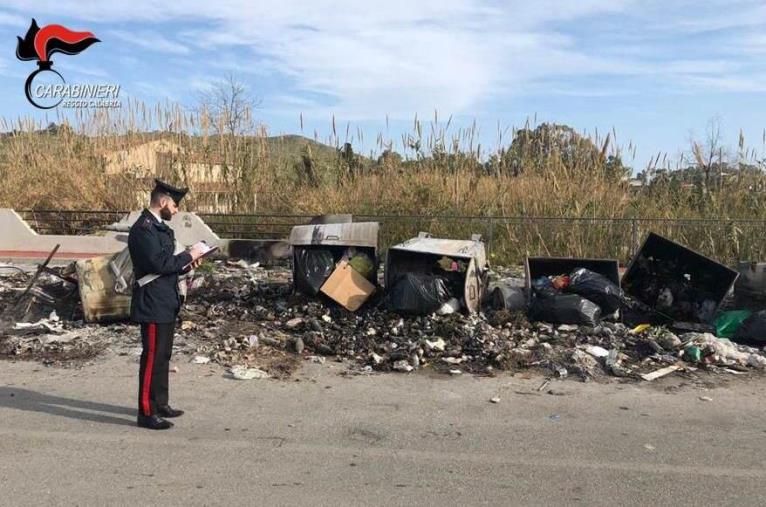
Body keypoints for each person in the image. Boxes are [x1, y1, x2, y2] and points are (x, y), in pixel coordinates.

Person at [128, 179, 205, 430]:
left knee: (163, 355)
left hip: (166, 299)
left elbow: (168, 266)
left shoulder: (160, 228)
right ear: (162, 202)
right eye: (174, 205)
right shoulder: (144, 229)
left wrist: (187, 263)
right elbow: (158, 265)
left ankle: (160, 403)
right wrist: (189, 254)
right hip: (152, 301)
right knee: (151, 357)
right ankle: (146, 412)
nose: (176, 210)